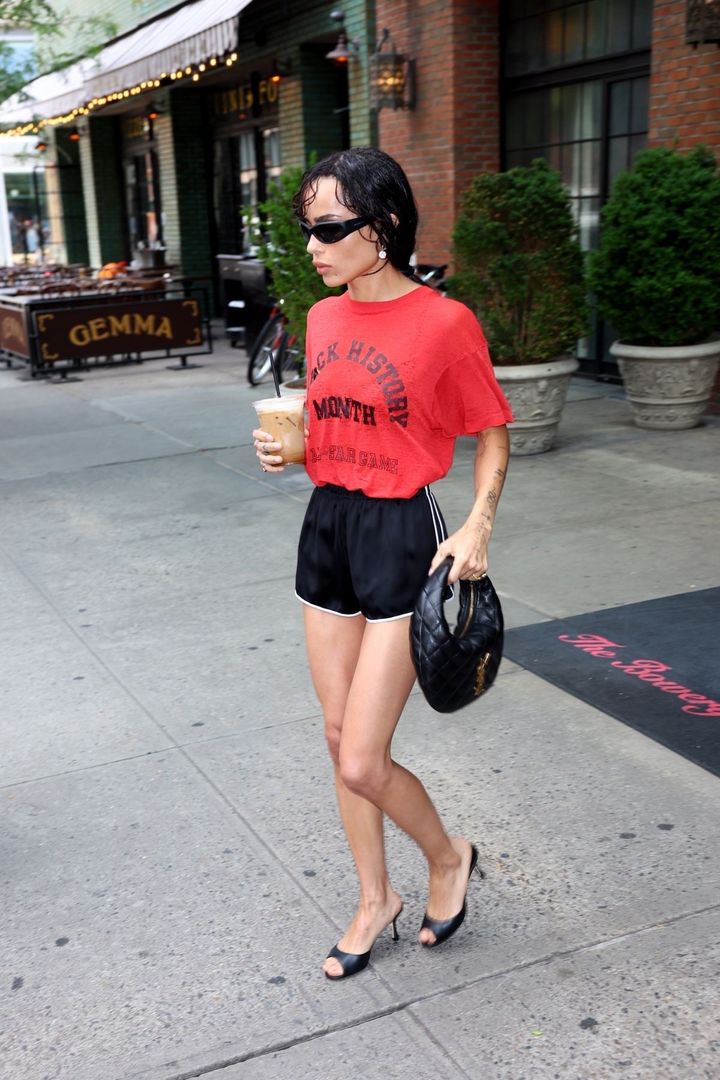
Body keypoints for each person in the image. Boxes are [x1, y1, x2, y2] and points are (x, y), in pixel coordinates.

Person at [252, 147, 512, 980]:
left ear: (385, 224)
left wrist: (477, 525)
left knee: (364, 757)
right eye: (309, 229)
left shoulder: (445, 323)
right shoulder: (324, 319)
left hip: (402, 531)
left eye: (330, 228)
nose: (314, 246)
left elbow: (492, 432)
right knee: (337, 739)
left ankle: (447, 857)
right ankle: (375, 898)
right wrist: (290, 450)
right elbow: (337, 426)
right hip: (327, 526)